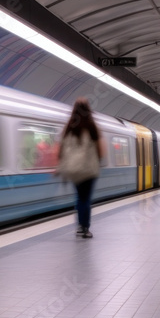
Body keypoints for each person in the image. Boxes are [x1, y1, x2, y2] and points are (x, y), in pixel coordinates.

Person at [57, 98, 103, 238]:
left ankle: (79, 226)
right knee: (86, 198)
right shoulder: (92, 127)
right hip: (88, 169)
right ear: (88, 110)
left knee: (79, 197)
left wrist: (62, 164)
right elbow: (100, 150)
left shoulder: (69, 127)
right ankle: (85, 228)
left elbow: (61, 149)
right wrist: (97, 161)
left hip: (73, 169)